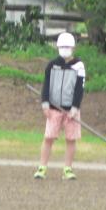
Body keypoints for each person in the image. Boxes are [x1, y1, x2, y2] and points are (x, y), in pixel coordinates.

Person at [34, 32, 85, 180]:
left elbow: (79, 89)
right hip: (54, 108)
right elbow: (46, 85)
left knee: (71, 139)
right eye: (62, 47)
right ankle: (42, 167)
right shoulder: (52, 65)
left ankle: (67, 169)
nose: (64, 50)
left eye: (67, 47)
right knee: (49, 137)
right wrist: (45, 104)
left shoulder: (79, 66)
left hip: (71, 110)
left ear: (73, 48)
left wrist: (74, 108)